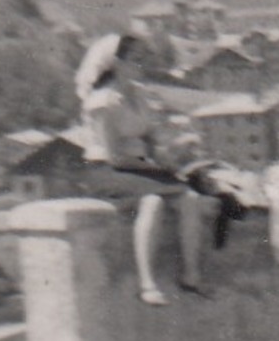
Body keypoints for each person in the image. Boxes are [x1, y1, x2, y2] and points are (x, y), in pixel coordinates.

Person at [74, 33, 211, 306]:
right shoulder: (102, 102)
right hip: (107, 169)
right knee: (152, 201)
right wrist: (156, 169)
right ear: (116, 63)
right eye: (135, 59)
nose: (141, 64)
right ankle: (147, 283)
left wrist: (166, 160)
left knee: (191, 198)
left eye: (143, 58)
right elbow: (114, 157)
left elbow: (151, 139)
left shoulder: (139, 95)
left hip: (139, 169)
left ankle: (191, 276)